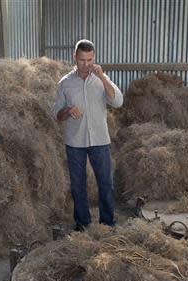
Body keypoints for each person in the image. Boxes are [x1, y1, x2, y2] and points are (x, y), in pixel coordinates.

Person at [53, 39, 123, 230]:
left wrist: (102, 77)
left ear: (94, 58)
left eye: (90, 60)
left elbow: (117, 102)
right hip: (75, 142)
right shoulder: (65, 83)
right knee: (78, 185)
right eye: (82, 60)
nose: (86, 65)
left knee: (106, 183)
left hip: (100, 140)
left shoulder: (101, 80)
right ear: (75, 58)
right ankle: (83, 224)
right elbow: (57, 114)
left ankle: (107, 224)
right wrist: (67, 111)